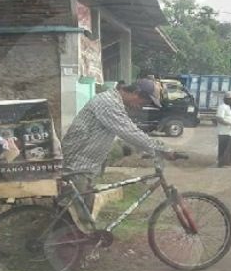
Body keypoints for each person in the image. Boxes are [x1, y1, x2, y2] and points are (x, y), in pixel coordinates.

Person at [61, 79, 175, 228]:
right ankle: (63, 246)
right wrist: (162, 148)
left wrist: (141, 149)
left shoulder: (114, 102)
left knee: (82, 211)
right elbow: (128, 132)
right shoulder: (108, 103)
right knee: (77, 217)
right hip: (77, 165)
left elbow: (122, 133)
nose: (143, 105)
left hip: (86, 165)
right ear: (135, 92)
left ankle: (77, 244)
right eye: (144, 100)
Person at [216, 92, 231, 167]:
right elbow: (219, 119)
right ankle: (222, 163)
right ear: (227, 99)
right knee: (224, 148)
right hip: (224, 132)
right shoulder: (222, 107)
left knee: (230, 149)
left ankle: (228, 163)